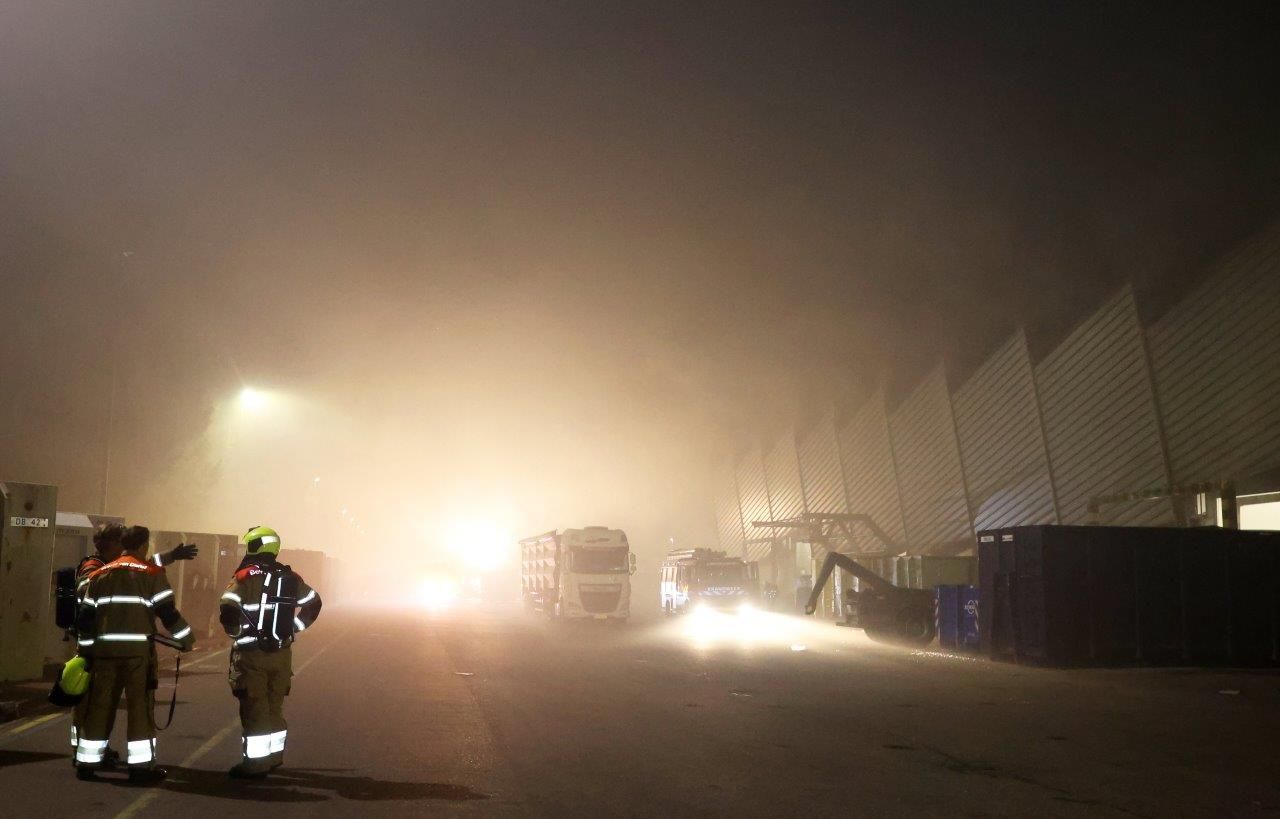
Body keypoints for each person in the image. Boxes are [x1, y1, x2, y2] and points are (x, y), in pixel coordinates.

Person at [74, 525, 195, 783]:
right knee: (140, 709)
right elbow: (167, 612)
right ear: (144, 545)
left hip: (104, 654)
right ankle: (141, 768)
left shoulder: (101, 574)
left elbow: (86, 618)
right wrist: (186, 639)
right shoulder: (151, 573)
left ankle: (86, 762)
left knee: (99, 706)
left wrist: (86, 651)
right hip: (137, 655)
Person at [219, 525, 322, 779]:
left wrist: (235, 633)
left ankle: (255, 765)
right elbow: (314, 603)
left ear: (256, 546)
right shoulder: (290, 577)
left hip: (252, 653)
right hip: (281, 653)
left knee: (255, 708)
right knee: (275, 707)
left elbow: (228, 608)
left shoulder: (245, 576)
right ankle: (274, 757)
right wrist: (293, 628)